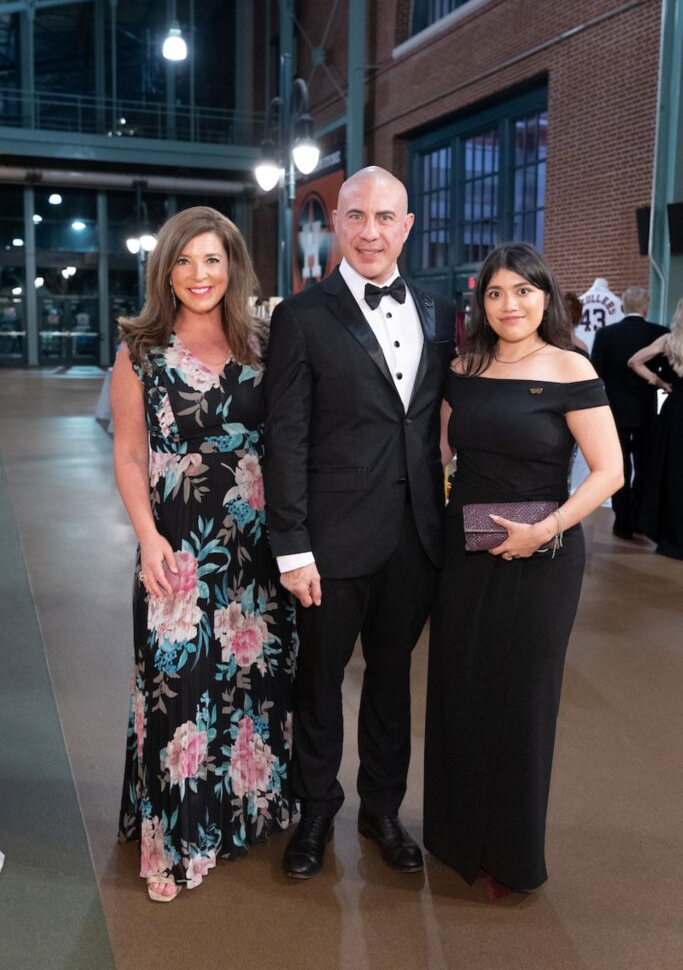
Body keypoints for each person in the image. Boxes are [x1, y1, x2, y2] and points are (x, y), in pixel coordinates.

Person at [263, 166, 455, 879]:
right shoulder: (301, 315)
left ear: (407, 226)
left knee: (392, 680)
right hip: (330, 539)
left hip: (416, 535)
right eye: (355, 215)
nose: (370, 231)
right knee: (318, 682)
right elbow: (284, 436)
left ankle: (382, 809)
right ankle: (315, 810)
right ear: (336, 223)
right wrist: (292, 547)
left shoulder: (438, 310)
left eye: (384, 217)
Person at [424, 242, 623, 899]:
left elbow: (609, 472)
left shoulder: (570, 367)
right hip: (466, 554)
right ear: (480, 303)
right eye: (495, 293)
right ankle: (456, 837)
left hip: (542, 557)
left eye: (523, 291)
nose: (509, 304)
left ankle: (509, 855)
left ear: (545, 297)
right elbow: (441, 455)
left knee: (522, 703)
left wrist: (547, 529)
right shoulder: (463, 367)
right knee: (460, 691)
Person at [111, 207, 297, 902]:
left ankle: (243, 817)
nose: (199, 274)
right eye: (184, 261)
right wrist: (147, 536)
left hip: (258, 548)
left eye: (212, 260)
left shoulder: (265, 341)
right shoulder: (140, 349)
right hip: (180, 547)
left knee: (252, 685)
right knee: (180, 687)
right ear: (166, 271)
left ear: (233, 266)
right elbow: (130, 454)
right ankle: (176, 840)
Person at [590, 286, 669, 539]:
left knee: (618, 467)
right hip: (648, 411)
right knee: (645, 466)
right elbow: (666, 372)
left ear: (623, 307)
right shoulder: (660, 333)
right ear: (646, 308)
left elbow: (596, 373)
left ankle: (622, 523)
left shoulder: (605, 334)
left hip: (615, 411)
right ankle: (639, 519)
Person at [628, 298, 683, 560]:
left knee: (673, 475)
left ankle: (673, 537)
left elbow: (634, 361)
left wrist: (659, 382)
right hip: (674, 415)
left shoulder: (670, 340)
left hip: (675, 414)